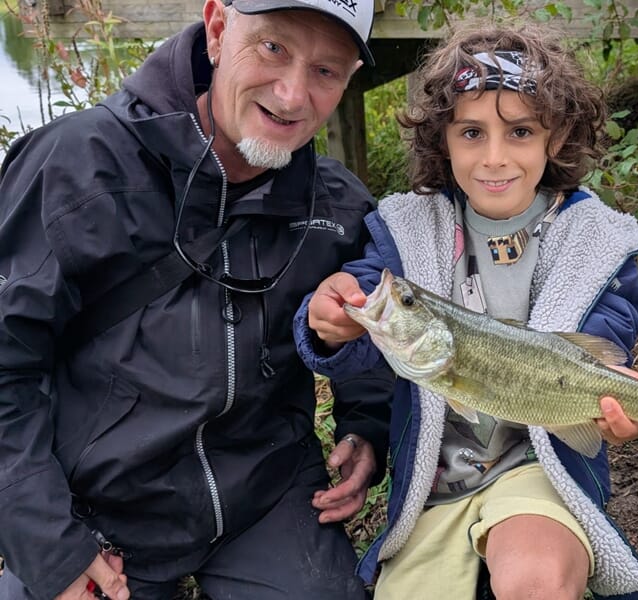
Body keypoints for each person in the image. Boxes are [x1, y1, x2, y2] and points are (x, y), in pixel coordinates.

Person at [0, 0, 394, 598]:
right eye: (273, 48)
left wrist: (366, 428)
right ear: (216, 29)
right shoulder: (74, 167)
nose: (292, 97)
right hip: (95, 508)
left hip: (267, 496)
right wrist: (50, 544)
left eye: (327, 71)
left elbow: (370, 326)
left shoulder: (337, 205)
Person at [294, 21, 638, 600]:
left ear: (557, 134)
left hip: (540, 475)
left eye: (519, 131)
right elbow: (370, 294)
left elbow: (601, 342)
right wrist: (334, 317)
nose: (495, 158)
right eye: (471, 132)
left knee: (536, 583)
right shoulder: (408, 232)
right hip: (434, 490)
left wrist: (614, 401)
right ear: (441, 140)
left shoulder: (595, 242)